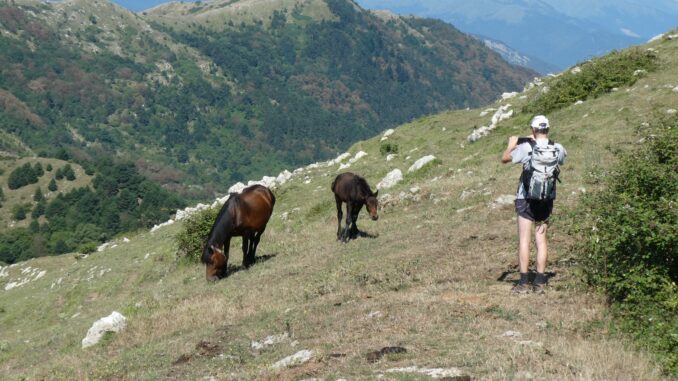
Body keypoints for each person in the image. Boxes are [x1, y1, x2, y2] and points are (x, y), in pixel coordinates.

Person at [501, 115, 566, 294]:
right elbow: (561, 161)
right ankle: (540, 282)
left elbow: (505, 158)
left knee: (524, 239)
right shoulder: (557, 147)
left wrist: (512, 144)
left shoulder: (526, 147)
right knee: (541, 239)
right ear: (548, 130)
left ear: (533, 130)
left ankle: (523, 284)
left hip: (526, 197)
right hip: (546, 198)